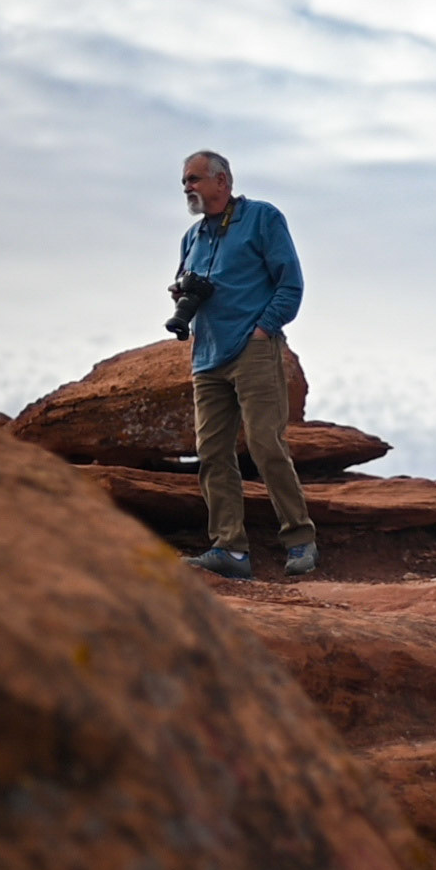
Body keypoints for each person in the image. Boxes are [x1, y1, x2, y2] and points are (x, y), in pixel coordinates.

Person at [174, 150, 318, 579]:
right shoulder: (191, 238)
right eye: (184, 181)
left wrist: (263, 329)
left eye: (195, 179)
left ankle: (300, 540)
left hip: (252, 349)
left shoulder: (262, 219)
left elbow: (290, 284)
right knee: (212, 452)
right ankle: (230, 550)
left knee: (264, 443)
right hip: (207, 356)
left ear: (223, 181)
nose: (188, 188)